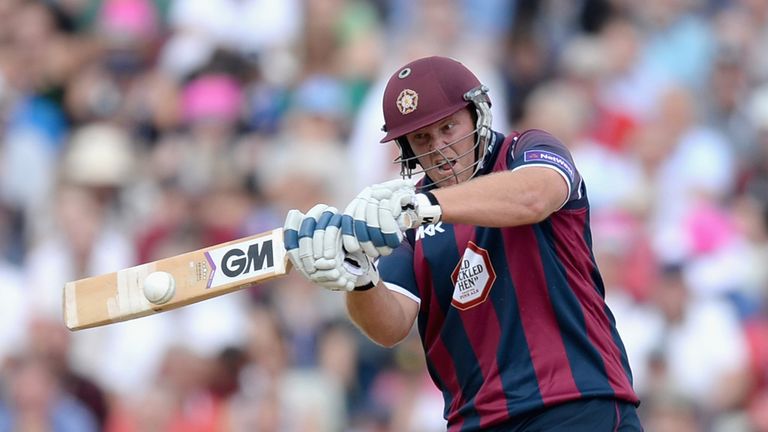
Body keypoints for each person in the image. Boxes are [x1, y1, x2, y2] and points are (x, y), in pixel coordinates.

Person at [283, 56, 643, 431]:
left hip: (576, 404)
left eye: (448, 127)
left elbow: (535, 197)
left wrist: (423, 206)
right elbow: (389, 327)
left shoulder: (525, 149)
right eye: (422, 137)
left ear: (477, 114)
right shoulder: (409, 218)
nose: (439, 148)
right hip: (476, 421)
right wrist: (359, 278)